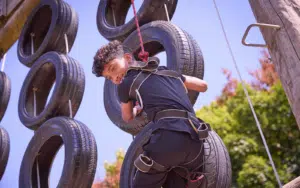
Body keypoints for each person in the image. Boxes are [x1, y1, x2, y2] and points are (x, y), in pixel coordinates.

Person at [92, 40, 209, 188]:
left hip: (168, 140)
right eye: (109, 77)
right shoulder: (168, 72)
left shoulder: (125, 83)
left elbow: (126, 117)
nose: (115, 77)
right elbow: (203, 86)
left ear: (128, 58)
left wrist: (136, 109)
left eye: (113, 68)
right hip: (196, 143)